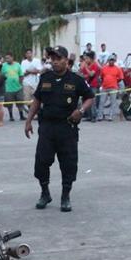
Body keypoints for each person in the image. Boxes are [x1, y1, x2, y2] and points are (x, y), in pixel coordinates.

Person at [24, 45, 94, 212]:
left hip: (67, 127)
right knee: (41, 162)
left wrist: (81, 110)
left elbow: (90, 97)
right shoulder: (45, 78)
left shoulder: (76, 80)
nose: (54, 62)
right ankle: (45, 193)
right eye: (52, 59)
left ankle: (65, 196)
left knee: (68, 163)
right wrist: (28, 121)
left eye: (58, 59)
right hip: (47, 127)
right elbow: (37, 101)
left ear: (66, 61)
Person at [2, 52, 27, 121]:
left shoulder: (17, 65)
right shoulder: (4, 66)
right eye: (6, 58)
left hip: (18, 87)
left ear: (12, 57)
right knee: (9, 103)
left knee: (20, 101)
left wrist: (20, 83)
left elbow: (21, 75)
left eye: (8, 58)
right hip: (8, 88)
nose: (7, 59)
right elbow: (1, 75)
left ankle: (21, 115)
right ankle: (11, 116)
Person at [99, 55, 124, 121]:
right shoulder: (104, 68)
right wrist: (103, 82)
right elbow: (101, 77)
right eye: (110, 60)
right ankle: (100, 116)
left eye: (113, 60)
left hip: (113, 88)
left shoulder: (117, 68)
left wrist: (115, 82)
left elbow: (121, 78)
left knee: (113, 102)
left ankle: (111, 116)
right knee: (101, 102)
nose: (111, 61)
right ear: (108, 60)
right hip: (104, 87)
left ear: (114, 61)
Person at [80, 51, 101, 122]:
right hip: (86, 85)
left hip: (93, 85)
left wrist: (86, 68)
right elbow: (82, 74)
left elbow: (92, 74)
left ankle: (94, 116)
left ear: (91, 59)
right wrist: (84, 71)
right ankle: (88, 116)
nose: (85, 60)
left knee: (92, 101)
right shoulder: (86, 65)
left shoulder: (95, 65)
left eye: (87, 58)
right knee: (85, 100)